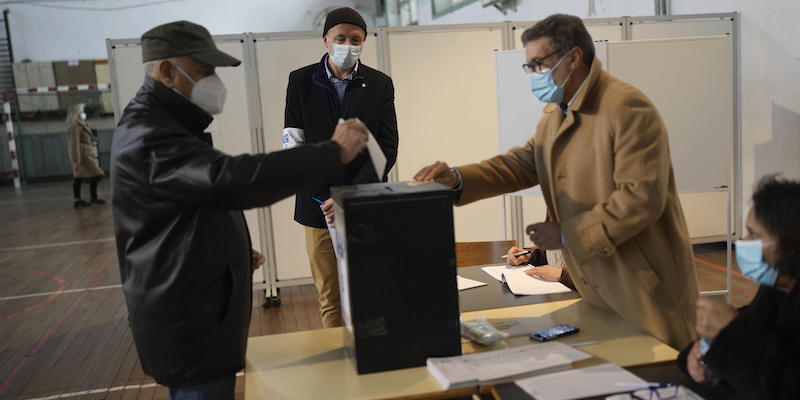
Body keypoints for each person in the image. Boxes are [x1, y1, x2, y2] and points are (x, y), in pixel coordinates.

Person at [110, 21, 368, 398]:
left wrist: (224, 249)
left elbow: (193, 201)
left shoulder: (164, 124)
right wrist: (331, 152)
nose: (213, 81)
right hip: (187, 321)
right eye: (204, 71)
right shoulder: (151, 135)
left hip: (192, 304)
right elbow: (228, 180)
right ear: (166, 70)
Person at [414, 13, 698, 350]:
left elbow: (641, 198)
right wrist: (458, 179)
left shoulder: (627, 108)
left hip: (638, 282)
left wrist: (566, 234)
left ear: (573, 57)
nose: (533, 74)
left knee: (658, 373)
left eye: (538, 64)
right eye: (529, 66)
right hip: (594, 283)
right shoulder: (555, 113)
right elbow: (522, 163)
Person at [282, 7, 399, 328]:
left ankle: (375, 359)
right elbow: (294, 146)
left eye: (356, 39)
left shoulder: (379, 84)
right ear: (326, 41)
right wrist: (325, 197)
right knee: (330, 298)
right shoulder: (300, 81)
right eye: (341, 38)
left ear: (364, 42)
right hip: (318, 209)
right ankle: (339, 368)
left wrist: (350, 195)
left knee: (372, 289)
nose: (348, 44)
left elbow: (386, 148)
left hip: (365, 203)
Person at [678, 176, 800, 399]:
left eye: (754, 234)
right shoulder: (776, 290)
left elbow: (786, 386)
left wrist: (730, 332)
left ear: (789, 244)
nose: (743, 241)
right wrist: (702, 350)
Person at [65, 103, 105, 208]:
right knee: (94, 174)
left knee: (82, 176)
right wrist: (76, 157)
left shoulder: (82, 124)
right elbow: (74, 143)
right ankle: (84, 198)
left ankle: (87, 198)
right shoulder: (74, 126)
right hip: (82, 154)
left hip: (86, 152)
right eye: (82, 111)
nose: (83, 113)